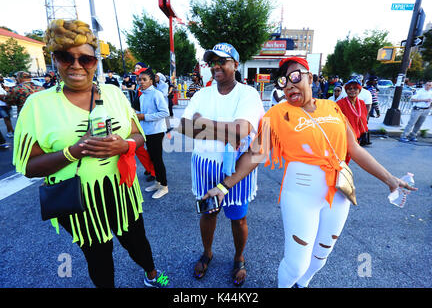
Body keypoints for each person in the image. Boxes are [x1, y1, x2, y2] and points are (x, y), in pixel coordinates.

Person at [200, 56, 415, 288]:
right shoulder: (276, 115)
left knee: (321, 257)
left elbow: (354, 148)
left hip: (339, 193)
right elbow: (256, 154)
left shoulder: (332, 107)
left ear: (310, 78)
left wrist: (389, 179)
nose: (290, 84)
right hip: (300, 192)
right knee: (296, 263)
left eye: (295, 77)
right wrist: (224, 186)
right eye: (284, 81)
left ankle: (303, 285)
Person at [12, 19, 168, 288]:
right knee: (98, 256)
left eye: (85, 59)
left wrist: (125, 146)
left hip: (122, 191)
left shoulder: (114, 93)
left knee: (138, 242)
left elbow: (138, 135)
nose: (76, 65)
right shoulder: (37, 105)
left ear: (95, 62)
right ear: (54, 58)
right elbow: (28, 166)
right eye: (65, 57)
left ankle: (152, 274)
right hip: (77, 199)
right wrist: (74, 152)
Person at [178, 42, 265, 287]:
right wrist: (227, 131)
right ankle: (207, 252)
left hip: (236, 167)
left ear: (235, 65)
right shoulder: (201, 94)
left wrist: (203, 123)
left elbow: (242, 131)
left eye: (222, 61)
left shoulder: (247, 94)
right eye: (212, 61)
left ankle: (238, 257)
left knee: (238, 218)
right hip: (204, 165)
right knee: (208, 212)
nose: (216, 66)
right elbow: (184, 128)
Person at [135, 68, 170, 199]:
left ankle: (164, 186)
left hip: (156, 131)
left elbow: (165, 112)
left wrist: (144, 117)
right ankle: (158, 182)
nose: (141, 82)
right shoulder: (142, 95)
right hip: (147, 132)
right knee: (152, 159)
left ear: (151, 81)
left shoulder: (157, 94)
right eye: (139, 80)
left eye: (144, 79)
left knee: (158, 160)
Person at [337, 79, 368, 153]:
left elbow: (364, 117)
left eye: (355, 88)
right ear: (346, 90)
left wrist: (365, 131)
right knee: (344, 157)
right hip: (346, 137)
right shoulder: (340, 103)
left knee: (352, 155)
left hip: (358, 136)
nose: (352, 91)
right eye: (349, 89)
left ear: (359, 91)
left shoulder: (361, 103)